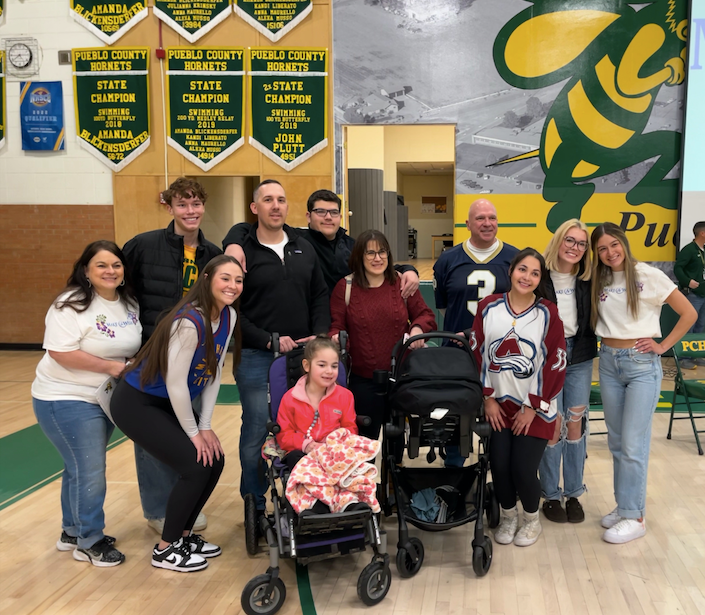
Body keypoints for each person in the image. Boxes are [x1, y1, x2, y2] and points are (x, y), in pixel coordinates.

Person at [110, 255, 243, 572]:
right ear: (208, 278)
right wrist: (195, 433)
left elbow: (214, 371)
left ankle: (183, 536)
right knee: (195, 466)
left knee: (214, 459)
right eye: (225, 278)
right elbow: (176, 384)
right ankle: (165, 548)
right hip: (136, 403)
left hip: (164, 402)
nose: (232, 286)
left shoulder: (229, 316)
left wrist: (207, 426)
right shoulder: (189, 321)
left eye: (238, 280)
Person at [31, 241, 142, 567]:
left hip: (103, 397)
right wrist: (113, 367)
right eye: (102, 266)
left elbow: (127, 344)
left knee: (78, 468)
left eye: (116, 265)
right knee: (90, 470)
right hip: (64, 397)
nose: (110, 271)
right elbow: (59, 351)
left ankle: (72, 531)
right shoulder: (70, 304)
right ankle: (90, 541)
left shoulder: (128, 302)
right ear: (86, 271)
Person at [222, 179, 330, 513]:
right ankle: (254, 501)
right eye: (267, 200)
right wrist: (267, 338)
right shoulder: (242, 251)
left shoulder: (303, 245)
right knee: (257, 428)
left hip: (302, 357)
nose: (275, 206)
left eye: (281, 199)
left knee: (307, 427)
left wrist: (320, 334)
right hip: (257, 355)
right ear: (255, 208)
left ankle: (307, 496)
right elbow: (230, 308)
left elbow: (319, 294)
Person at [123, 177, 221, 534]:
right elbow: (121, 288)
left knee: (185, 428)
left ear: (203, 206)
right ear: (170, 207)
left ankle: (181, 504)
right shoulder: (144, 246)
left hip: (191, 355)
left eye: (195, 204)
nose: (190, 211)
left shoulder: (212, 253)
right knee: (152, 438)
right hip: (151, 354)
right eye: (182, 205)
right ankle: (157, 509)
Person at [590, 222, 696, 544]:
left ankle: (635, 517)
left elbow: (688, 313)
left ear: (624, 242)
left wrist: (663, 347)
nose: (610, 253)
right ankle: (625, 505)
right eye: (602, 249)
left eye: (614, 245)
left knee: (634, 444)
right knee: (618, 442)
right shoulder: (600, 278)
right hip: (607, 362)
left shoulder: (647, 275)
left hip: (640, 366)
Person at [469, 248, 567, 547]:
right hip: (497, 405)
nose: (527, 277)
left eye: (535, 273)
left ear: (540, 279)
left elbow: (556, 362)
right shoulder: (488, 307)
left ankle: (531, 520)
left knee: (523, 468)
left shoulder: (548, 312)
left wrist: (533, 406)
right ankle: (509, 517)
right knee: (499, 466)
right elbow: (476, 354)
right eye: (523, 269)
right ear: (511, 271)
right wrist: (487, 398)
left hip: (532, 407)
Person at [433, 198, 518, 466]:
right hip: (458, 352)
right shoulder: (448, 259)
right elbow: (444, 307)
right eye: (480, 218)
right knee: (457, 414)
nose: (487, 223)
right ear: (468, 223)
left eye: (492, 218)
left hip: (501, 353)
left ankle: (499, 474)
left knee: (500, 415)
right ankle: (454, 476)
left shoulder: (514, 257)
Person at [329, 229, 436, 439]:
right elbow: (337, 326)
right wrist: (336, 338)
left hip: (401, 377)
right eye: (370, 253)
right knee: (363, 443)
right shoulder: (345, 287)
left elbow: (425, 314)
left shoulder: (401, 283)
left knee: (396, 445)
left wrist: (417, 330)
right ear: (359, 256)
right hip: (363, 381)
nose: (377, 258)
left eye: (382, 252)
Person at [224, 188, 420, 296]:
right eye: (321, 212)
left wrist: (409, 269)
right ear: (309, 216)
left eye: (334, 212)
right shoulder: (295, 239)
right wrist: (233, 245)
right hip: (311, 326)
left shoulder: (352, 245)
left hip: (346, 324)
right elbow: (245, 228)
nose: (328, 217)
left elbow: (380, 262)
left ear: (340, 216)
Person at [538, 219, 597, 524]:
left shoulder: (589, 278)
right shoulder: (540, 276)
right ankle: (550, 494)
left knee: (575, 425)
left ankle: (573, 492)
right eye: (570, 241)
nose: (575, 248)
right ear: (559, 241)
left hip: (581, 356)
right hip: (549, 358)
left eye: (581, 243)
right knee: (552, 425)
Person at [276, 335, 357, 472]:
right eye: (322, 365)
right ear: (307, 365)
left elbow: (350, 430)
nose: (329, 371)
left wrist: (333, 445)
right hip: (302, 453)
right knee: (296, 457)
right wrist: (306, 445)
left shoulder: (345, 396)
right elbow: (284, 435)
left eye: (334, 366)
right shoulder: (290, 398)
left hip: (334, 453)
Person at [674, 220, 705, 369]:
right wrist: (687, 281)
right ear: (702, 233)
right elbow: (678, 268)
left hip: (703, 294)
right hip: (693, 294)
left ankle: (696, 355)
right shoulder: (689, 250)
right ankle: (683, 358)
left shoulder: (703, 250)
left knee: (700, 326)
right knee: (689, 325)